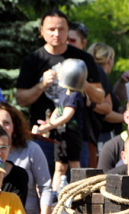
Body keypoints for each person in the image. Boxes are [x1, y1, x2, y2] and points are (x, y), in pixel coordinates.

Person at [15, 10, 105, 174]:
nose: (57, 33)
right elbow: (21, 99)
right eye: (51, 29)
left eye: (62, 29)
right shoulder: (33, 60)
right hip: (43, 137)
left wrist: (83, 84)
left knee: (78, 187)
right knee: (44, 187)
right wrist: (41, 85)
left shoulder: (83, 58)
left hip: (76, 136)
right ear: (41, 31)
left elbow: (100, 96)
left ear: (67, 30)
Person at [1, 103, 53, 214]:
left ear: (14, 126)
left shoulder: (32, 149)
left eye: (6, 122)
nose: (1, 126)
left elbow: (45, 186)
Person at [67, 22, 114, 167]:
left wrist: (90, 100)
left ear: (84, 43)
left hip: (85, 137)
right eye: (66, 40)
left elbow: (107, 106)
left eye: (72, 40)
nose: (68, 44)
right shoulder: (53, 62)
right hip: (55, 135)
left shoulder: (93, 69)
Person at [37, 59, 85, 196]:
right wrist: (48, 125)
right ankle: (53, 194)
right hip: (60, 134)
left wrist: (50, 126)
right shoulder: (64, 94)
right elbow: (57, 111)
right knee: (60, 166)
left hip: (72, 135)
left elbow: (66, 116)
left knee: (74, 164)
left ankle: (80, 193)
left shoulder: (75, 96)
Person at [87, 42, 124, 147]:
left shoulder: (92, 76)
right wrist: (127, 118)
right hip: (101, 136)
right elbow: (105, 112)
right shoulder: (98, 77)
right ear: (109, 60)